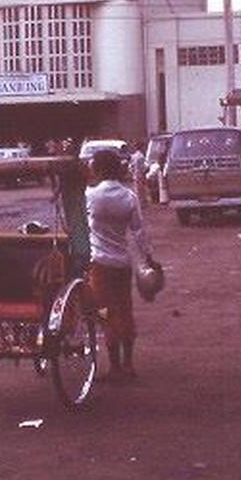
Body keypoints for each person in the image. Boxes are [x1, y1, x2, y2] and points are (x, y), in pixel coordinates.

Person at [86, 148, 153, 382]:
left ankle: (114, 368)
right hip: (122, 263)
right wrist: (148, 259)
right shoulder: (129, 197)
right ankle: (128, 365)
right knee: (125, 310)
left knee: (105, 313)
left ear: (99, 169)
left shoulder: (91, 195)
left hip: (99, 264)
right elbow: (139, 233)